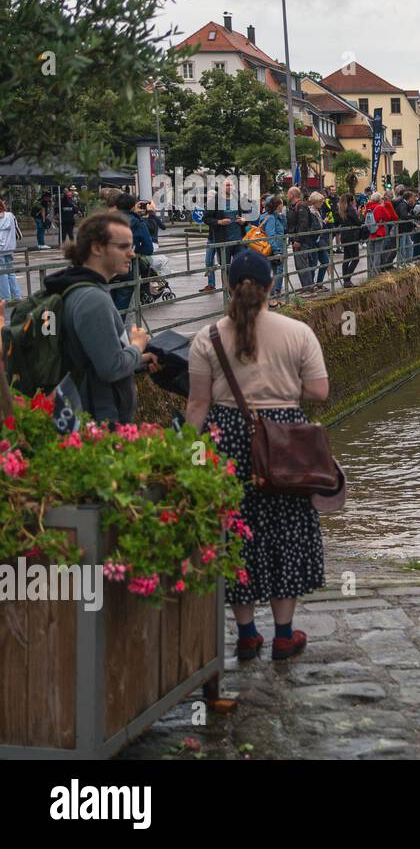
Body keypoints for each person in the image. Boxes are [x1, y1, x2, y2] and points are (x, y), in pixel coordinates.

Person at [185, 251, 329, 662]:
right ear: (271, 286)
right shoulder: (297, 332)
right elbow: (319, 391)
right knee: (288, 533)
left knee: (235, 535)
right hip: (285, 440)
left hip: (227, 438)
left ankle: (247, 634)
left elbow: (197, 405)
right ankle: (284, 635)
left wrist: (183, 456)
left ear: (230, 287)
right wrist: (280, 396)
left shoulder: (207, 338)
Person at [43, 212, 156, 422]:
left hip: (84, 410)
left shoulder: (76, 286)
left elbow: (95, 358)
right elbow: (110, 368)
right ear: (96, 248)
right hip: (97, 416)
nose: (131, 253)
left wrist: (140, 360)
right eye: (123, 246)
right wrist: (137, 346)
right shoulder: (92, 299)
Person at [110, 194, 154, 313]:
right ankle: (120, 331)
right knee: (122, 308)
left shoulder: (106, 221)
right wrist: (134, 249)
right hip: (126, 268)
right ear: (132, 207)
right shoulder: (138, 222)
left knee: (108, 308)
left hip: (106, 268)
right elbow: (149, 249)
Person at [201, 187, 241, 293]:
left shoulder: (237, 199)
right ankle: (227, 292)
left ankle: (239, 290)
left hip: (238, 239)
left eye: (231, 185)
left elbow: (245, 214)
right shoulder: (215, 203)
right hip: (221, 239)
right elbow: (206, 218)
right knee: (223, 266)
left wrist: (243, 220)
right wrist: (219, 222)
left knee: (241, 265)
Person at [0, 199, 22, 301]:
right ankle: (17, 296)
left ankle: (6, 298)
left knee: (2, 273)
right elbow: (19, 235)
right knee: (10, 272)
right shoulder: (11, 216)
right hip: (9, 249)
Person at [338, 195, 362, 286]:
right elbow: (358, 223)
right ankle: (347, 279)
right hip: (352, 236)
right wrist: (360, 215)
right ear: (351, 201)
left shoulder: (341, 210)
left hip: (344, 236)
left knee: (347, 258)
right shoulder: (351, 210)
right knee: (355, 259)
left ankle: (346, 280)